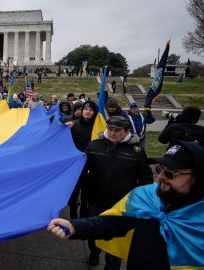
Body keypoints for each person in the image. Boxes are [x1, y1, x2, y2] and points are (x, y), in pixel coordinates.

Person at [48, 140, 204, 269]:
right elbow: (113, 223)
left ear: (198, 177)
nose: (161, 177)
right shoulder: (147, 197)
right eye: (160, 169)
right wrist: (75, 227)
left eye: (170, 173)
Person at [81, 116, 153, 268]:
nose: (112, 133)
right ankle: (94, 253)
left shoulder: (137, 151)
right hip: (96, 201)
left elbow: (146, 178)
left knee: (115, 240)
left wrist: (138, 200)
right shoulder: (95, 146)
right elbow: (79, 168)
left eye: (117, 130)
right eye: (110, 129)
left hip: (121, 206)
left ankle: (111, 266)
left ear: (126, 131)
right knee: (93, 233)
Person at [64, 101, 97, 219]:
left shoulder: (97, 127)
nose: (88, 112)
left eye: (91, 110)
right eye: (86, 109)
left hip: (91, 166)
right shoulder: (74, 125)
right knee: (74, 193)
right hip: (76, 166)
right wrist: (64, 126)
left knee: (86, 195)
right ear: (82, 111)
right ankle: (73, 215)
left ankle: (83, 219)